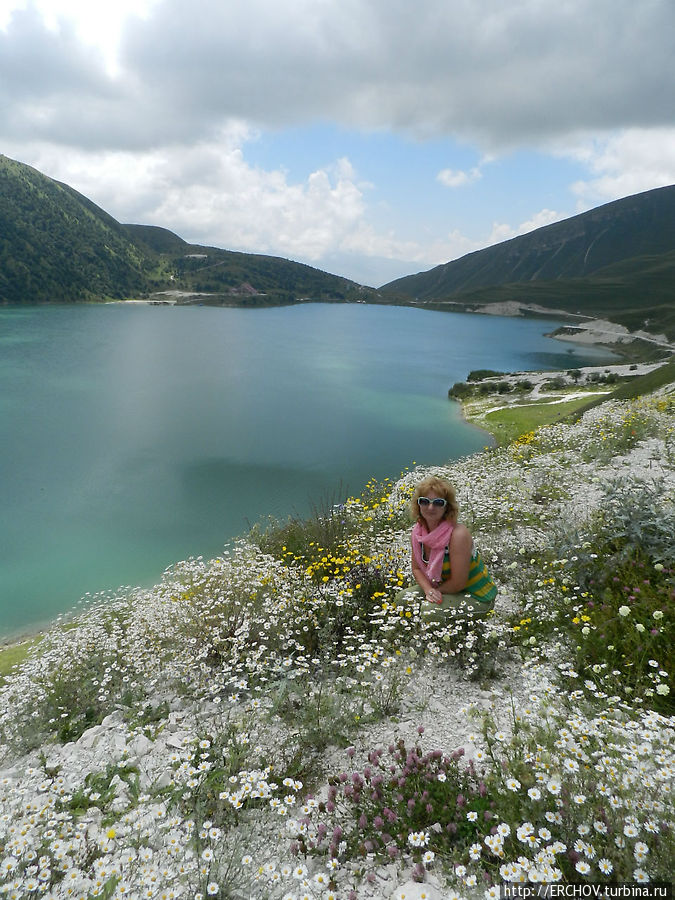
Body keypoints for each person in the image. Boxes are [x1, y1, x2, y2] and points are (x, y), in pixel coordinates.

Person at [400, 475, 497, 619]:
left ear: (447, 507)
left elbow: (458, 583)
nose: (431, 507)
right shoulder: (418, 533)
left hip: (476, 596)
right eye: (424, 501)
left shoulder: (458, 535)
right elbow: (416, 569)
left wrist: (434, 593)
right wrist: (428, 590)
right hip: (442, 586)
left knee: (430, 611)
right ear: (418, 505)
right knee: (402, 599)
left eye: (438, 503)